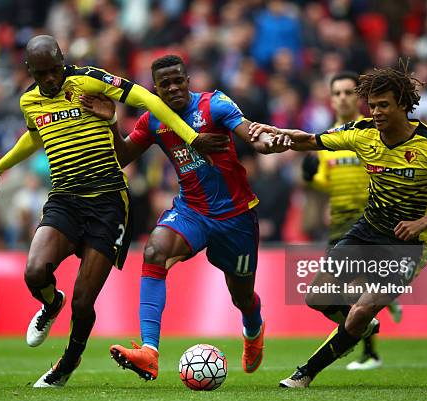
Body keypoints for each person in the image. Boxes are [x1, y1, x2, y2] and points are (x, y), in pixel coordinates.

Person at [0, 35, 228, 389]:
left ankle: (66, 364)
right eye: (42, 74)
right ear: (29, 71)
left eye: (55, 70)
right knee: (35, 273)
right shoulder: (29, 101)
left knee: (84, 302)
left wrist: (191, 136)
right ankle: (51, 304)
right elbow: (34, 136)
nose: (50, 80)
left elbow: (144, 97)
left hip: (108, 202)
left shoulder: (89, 79)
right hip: (65, 197)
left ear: (63, 59)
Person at [250, 61, 427, 388]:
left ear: (404, 106)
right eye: (373, 105)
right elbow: (312, 140)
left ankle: (305, 373)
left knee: (360, 311)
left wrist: (423, 220)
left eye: (384, 105)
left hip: (408, 244)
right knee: (318, 298)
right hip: (368, 229)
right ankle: (359, 329)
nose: (376, 112)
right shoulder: (363, 133)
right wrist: (282, 136)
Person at [79, 54, 288, 381]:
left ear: (188, 80)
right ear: (156, 89)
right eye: (165, 84)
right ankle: (149, 351)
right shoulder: (152, 121)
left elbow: (248, 131)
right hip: (191, 211)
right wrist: (110, 123)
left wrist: (265, 141)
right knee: (154, 251)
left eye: (179, 80)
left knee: (242, 296)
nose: (174, 88)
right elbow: (121, 157)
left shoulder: (214, 105)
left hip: (236, 217)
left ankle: (253, 328)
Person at [301, 71, 402, 371]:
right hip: (339, 224)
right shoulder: (327, 142)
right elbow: (323, 184)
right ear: (331, 99)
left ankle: (368, 352)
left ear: (357, 98)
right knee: (334, 293)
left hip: (370, 221)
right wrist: (309, 178)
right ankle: (367, 335)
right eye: (338, 93)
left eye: (348, 92)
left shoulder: (371, 133)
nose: (343, 97)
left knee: (354, 289)